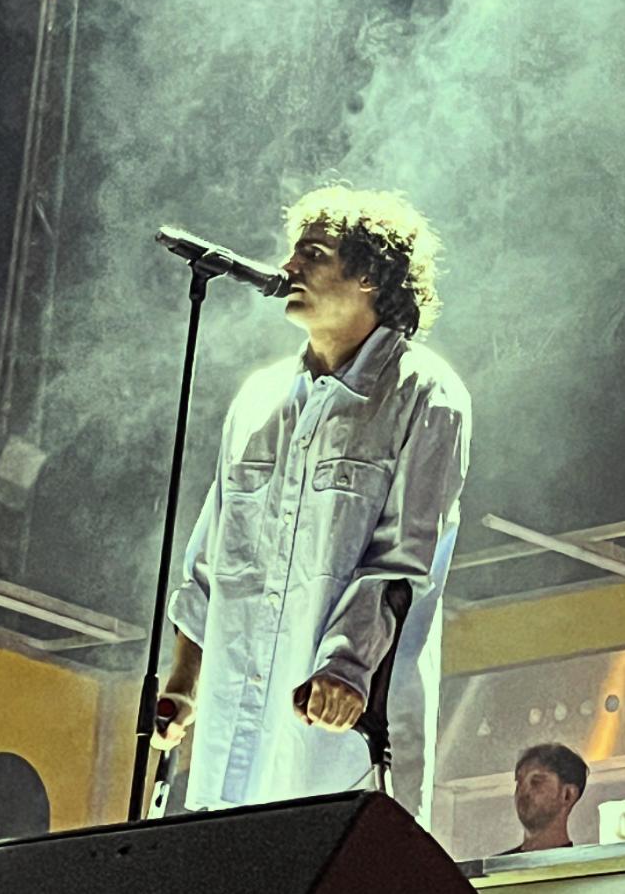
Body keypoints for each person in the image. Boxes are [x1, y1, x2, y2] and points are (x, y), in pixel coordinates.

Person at [152, 186, 471, 827]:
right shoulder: (258, 398)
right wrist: (184, 681)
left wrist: (344, 668)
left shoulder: (426, 393)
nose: (288, 266)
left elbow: (401, 560)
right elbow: (211, 560)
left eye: (313, 254)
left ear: (369, 276)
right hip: (235, 739)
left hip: (340, 733)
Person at [498, 744, 590, 854]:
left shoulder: (582, 864)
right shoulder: (495, 864)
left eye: (536, 782)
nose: (523, 791)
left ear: (568, 794)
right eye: (519, 782)